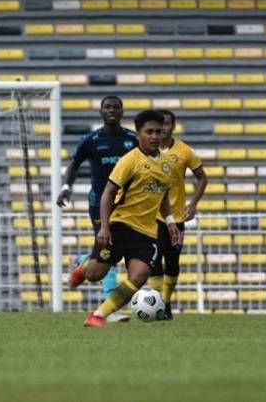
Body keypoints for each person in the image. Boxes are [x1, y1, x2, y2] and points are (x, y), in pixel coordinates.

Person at [68, 110, 182, 328]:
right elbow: (108, 193)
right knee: (95, 274)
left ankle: (98, 315)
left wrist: (170, 222)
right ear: (138, 134)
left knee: (140, 275)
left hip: (147, 232)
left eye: (158, 132)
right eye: (149, 132)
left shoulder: (167, 164)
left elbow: (163, 195)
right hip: (120, 225)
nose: (155, 136)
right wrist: (104, 227)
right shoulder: (129, 160)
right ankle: (82, 268)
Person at [56, 95, 137, 323]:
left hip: (127, 205)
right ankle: (110, 307)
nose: (112, 110)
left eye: (116, 107)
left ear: (122, 111)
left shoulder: (132, 139)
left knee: (112, 253)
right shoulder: (91, 140)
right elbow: (74, 164)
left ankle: (82, 262)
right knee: (108, 251)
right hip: (99, 205)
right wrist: (66, 188)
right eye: (108, 107)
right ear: (101, 111)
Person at [147, 109, 207, 320]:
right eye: (159, 124)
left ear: (173, 126)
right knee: (154, 263)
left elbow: (202, 178)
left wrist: (193, 204)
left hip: (177, 217)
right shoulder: (145, 150)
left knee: (172, 263)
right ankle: (157, 306)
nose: (163, 128)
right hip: (152, 217)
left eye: (167, 124)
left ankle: (166, 302)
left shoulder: (184, 151)